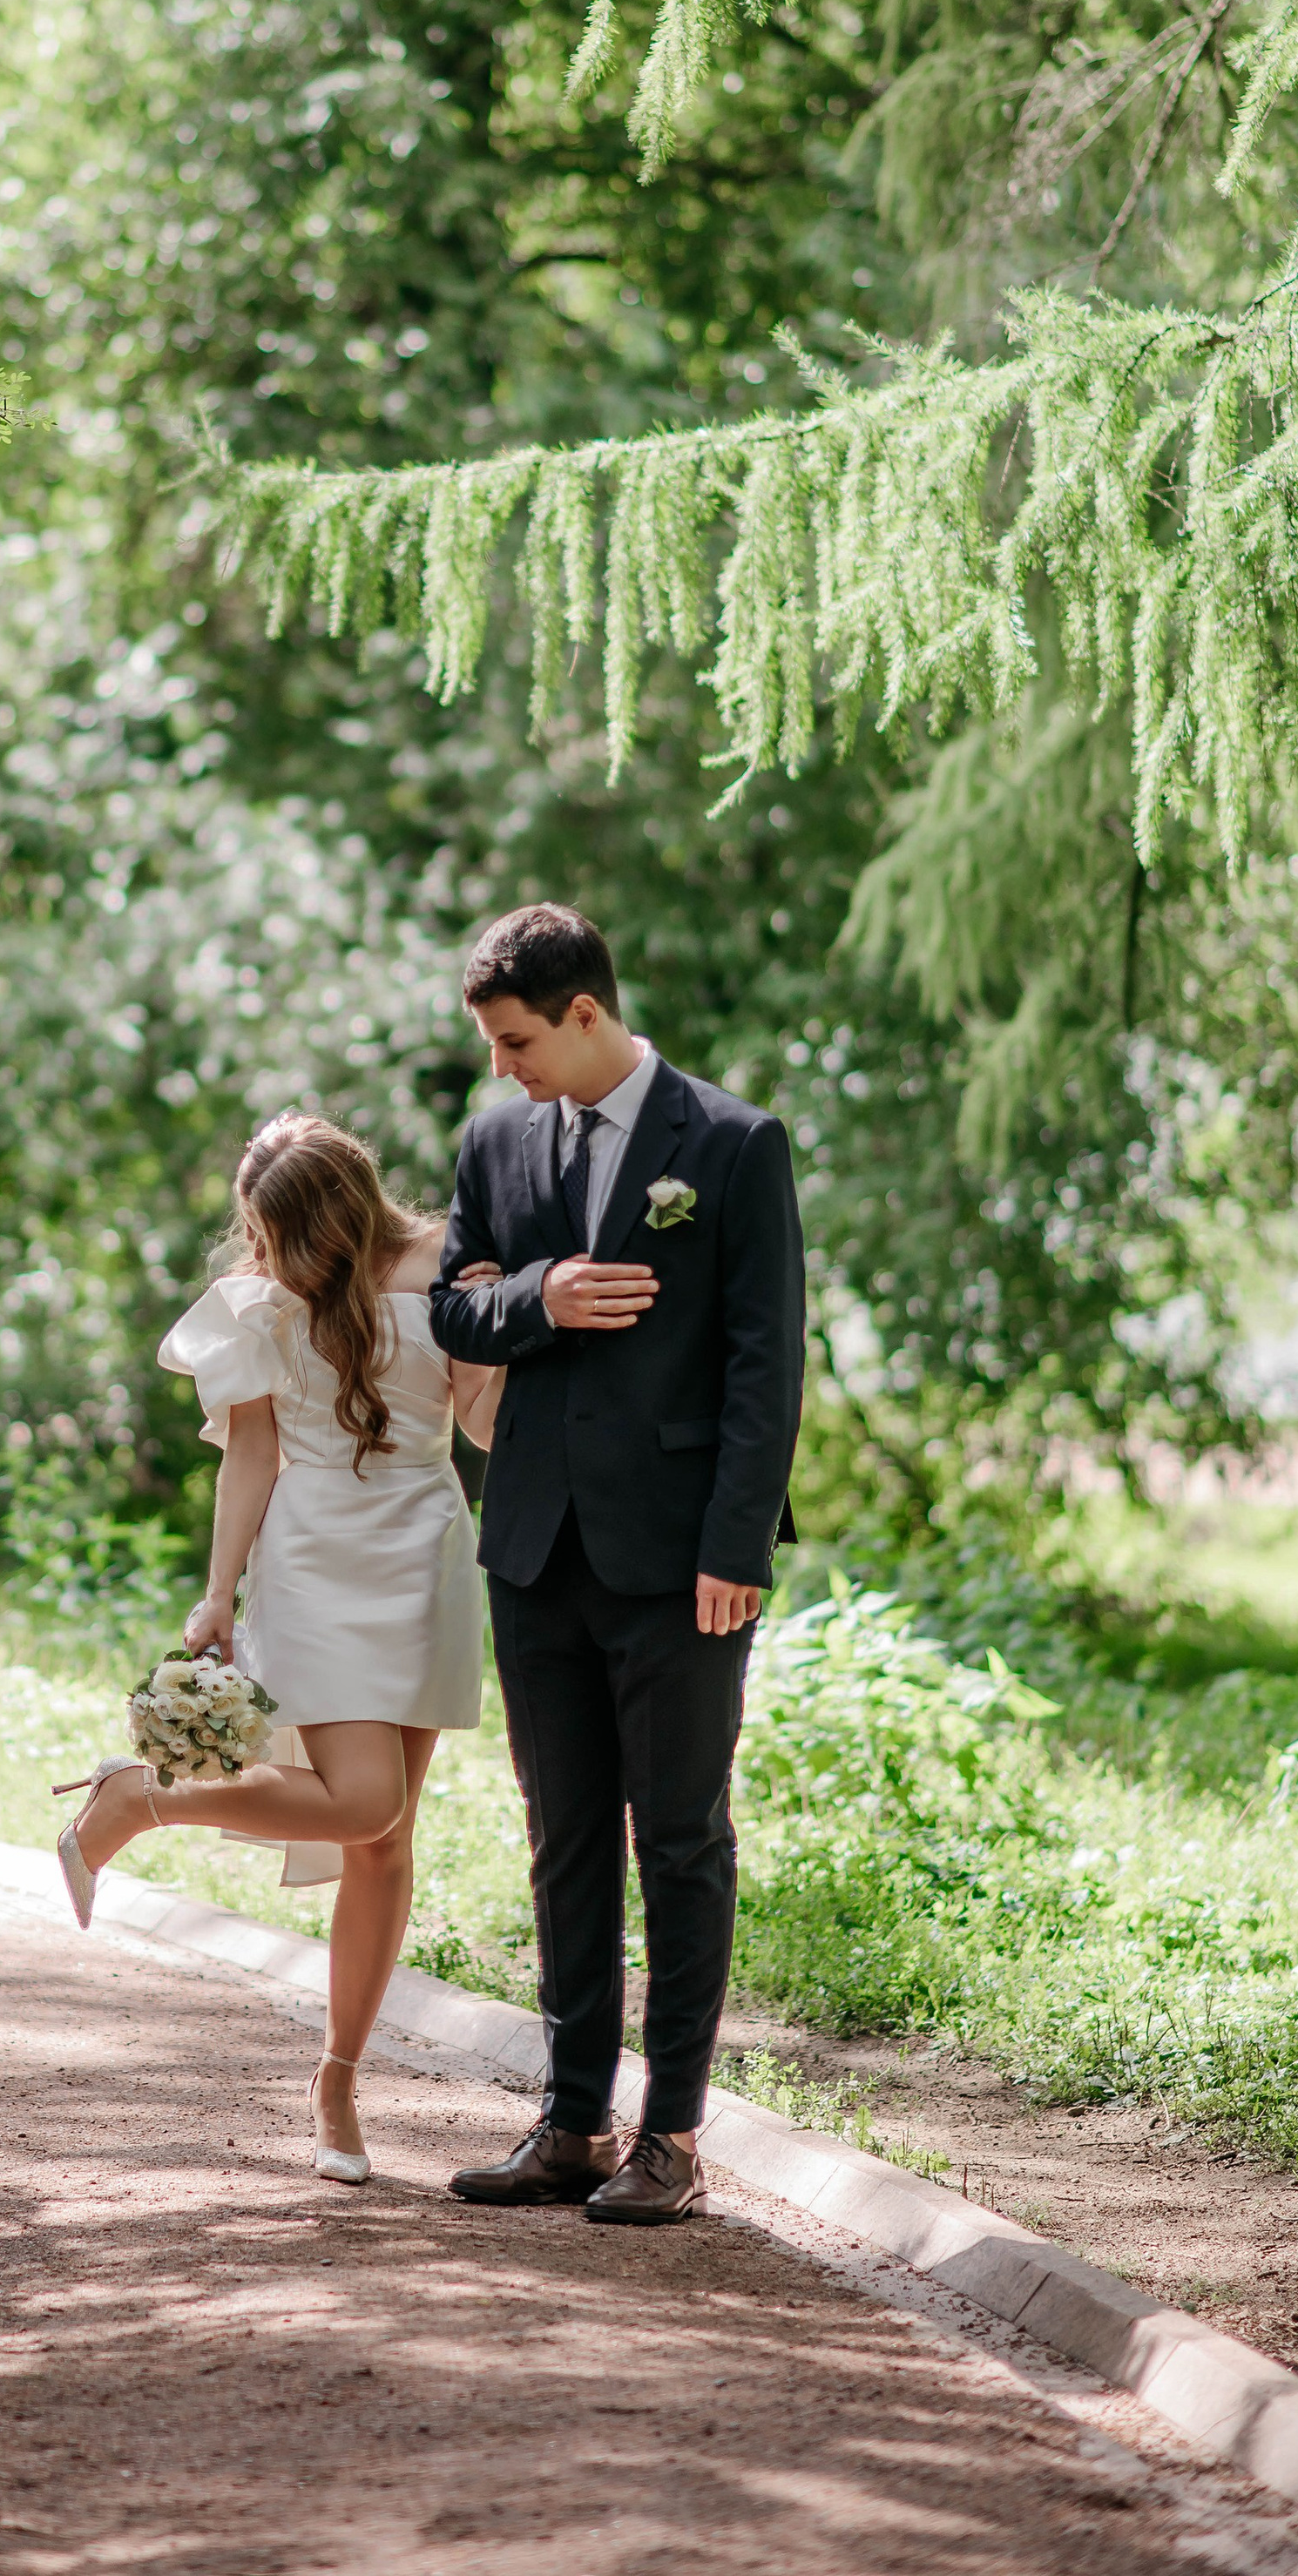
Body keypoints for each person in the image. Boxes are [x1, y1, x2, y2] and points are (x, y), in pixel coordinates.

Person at [427, 903, 803, 2227]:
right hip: (533, 1546)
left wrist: (735, 1543)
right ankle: (573, 2120)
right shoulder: (497, 1138)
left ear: (585, 1013)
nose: (503, 1067)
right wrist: (544, 1296)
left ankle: (673, 2135)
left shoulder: (735, 1142)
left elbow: (768, 1357)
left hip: (678, 1558)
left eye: (517, 1040)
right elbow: (452, 1303)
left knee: (681, 1840)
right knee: (564, 1837)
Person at [54, 1111, 503, 2181]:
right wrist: (218, 1595)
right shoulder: (260, 1300)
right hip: (313, 1560)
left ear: (342, 1211)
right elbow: (250, 1451)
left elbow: (483, 1425)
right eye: (260, 1237)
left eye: (283, 1236)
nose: (267, 1260)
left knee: (382, 1844)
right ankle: (138, 1797)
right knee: (365, 1802)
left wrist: (499, 1331)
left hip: (427, 1553)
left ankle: (337, 2082)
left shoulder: (454, 1260)